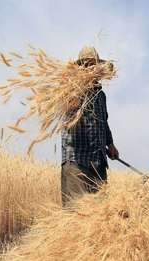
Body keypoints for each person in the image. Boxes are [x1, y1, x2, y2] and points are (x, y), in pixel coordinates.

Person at [61, 46, 119, 207]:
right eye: (85, 65)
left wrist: (110, 144)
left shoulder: (100, 95)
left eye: (93, 64)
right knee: (76, 215)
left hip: (98, 162)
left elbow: (103, 122)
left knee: (100, 217)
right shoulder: (69, 89)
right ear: (80, 68)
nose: (90, 68)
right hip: (76, 161)